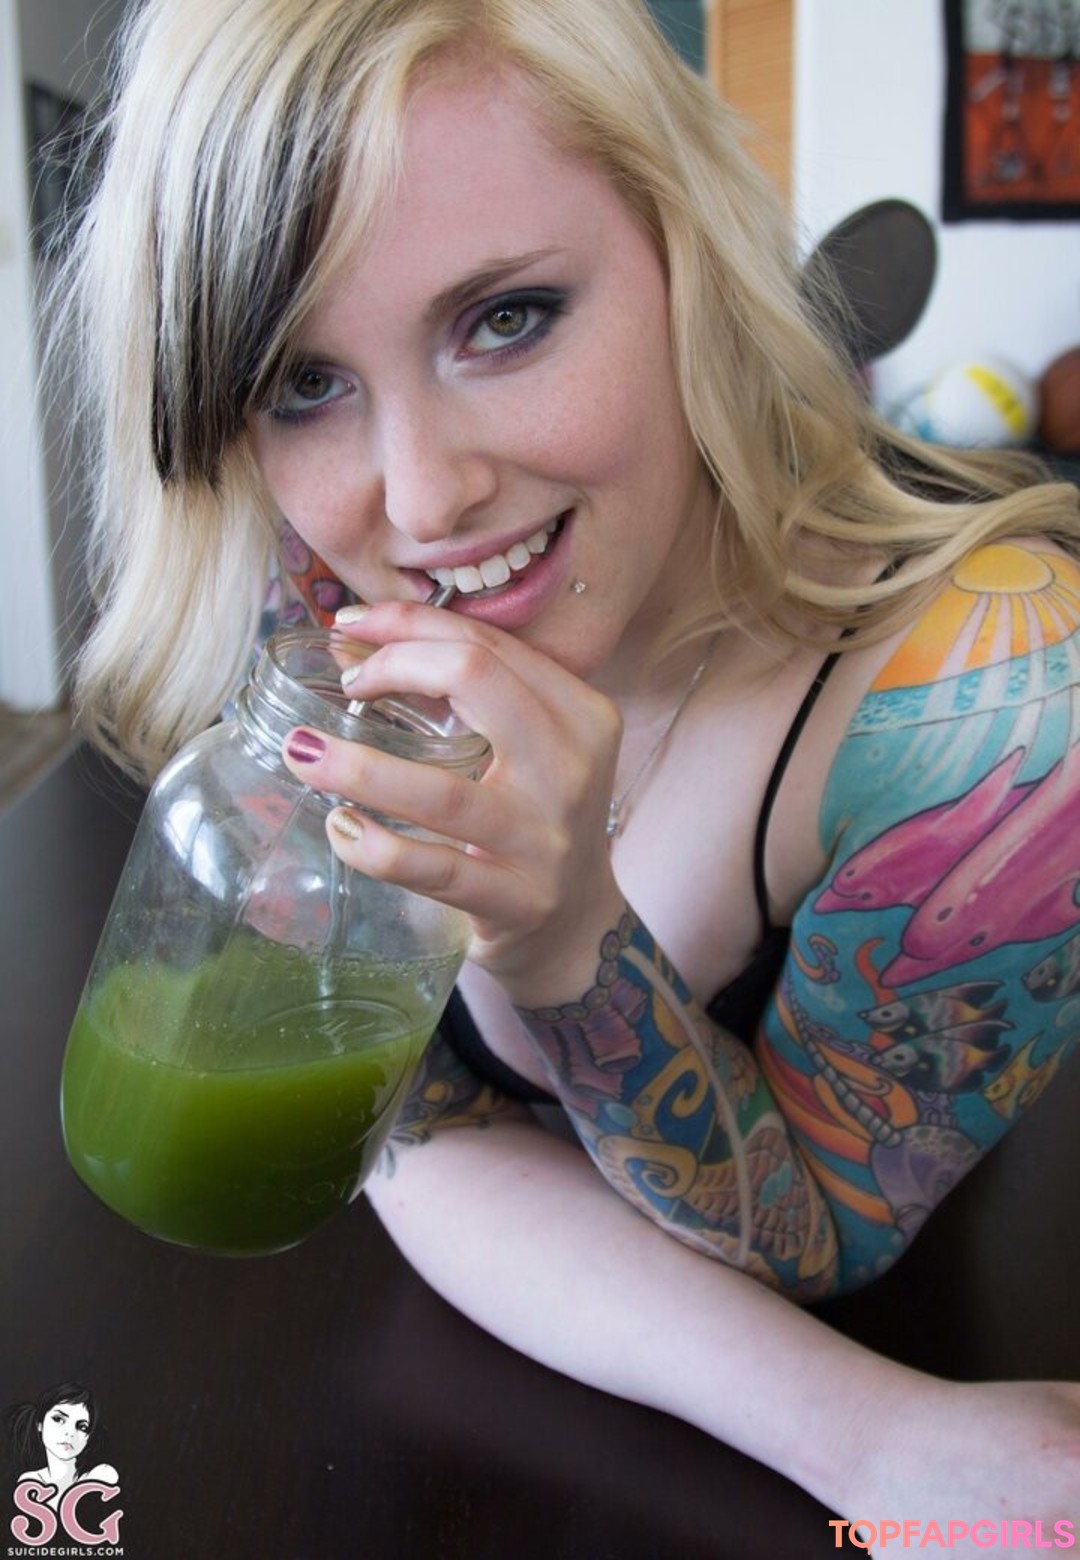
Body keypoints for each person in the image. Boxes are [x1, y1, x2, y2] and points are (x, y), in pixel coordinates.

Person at [55, 0, 1080, 1540]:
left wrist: (565, 944)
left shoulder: (995, 717)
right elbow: (405, 1132)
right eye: (301, 382)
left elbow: (812, 1230)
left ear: (687, 252)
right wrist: (865, 1437)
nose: (422, 502)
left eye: (509, 317)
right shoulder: (323, 577)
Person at [6, 1384, 117, 1507]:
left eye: (82, 1427)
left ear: (88, 1437)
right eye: (58, 1419)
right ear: (40, 1424)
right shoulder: (30, 1481)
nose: (70, 1433)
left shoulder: (102, 1474)